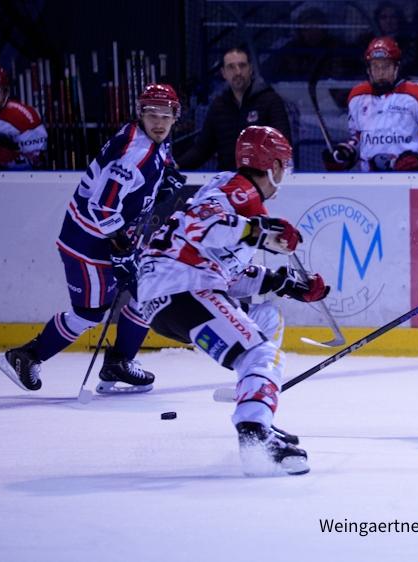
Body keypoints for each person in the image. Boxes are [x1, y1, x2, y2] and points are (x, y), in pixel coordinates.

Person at [139, 125, 328, 476]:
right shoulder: (236, 193)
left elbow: (228, 272)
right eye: (284, 164)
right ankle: (254, 434)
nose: (285, 173)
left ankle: (257, 412)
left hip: (169, 299)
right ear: (273, 165)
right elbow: (202, 226)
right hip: (182, 289)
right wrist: (262, 231)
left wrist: (287, 285)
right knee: (262, 354)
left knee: (267, 319)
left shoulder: (237, 199)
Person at [0, 84, 183, 395]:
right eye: (152, 114)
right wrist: (121, 249)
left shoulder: (147, 138)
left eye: (166, 115)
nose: (159, 122)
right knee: (89, 314)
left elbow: (150, 166)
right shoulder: (136, 154)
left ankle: (119, 362)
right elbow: (102, 206)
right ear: (141, 114)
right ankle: (26, 356)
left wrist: (165, 176)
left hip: (105, 238)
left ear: (176, 116)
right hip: (88, 243)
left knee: (147, 290)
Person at [322, 36, 418, 172]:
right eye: (375, 66)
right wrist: (345, 153)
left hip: (408, 176)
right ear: (368, 69)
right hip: (367, 179)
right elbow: (360, 138)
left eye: (386, 66)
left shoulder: (417, 93)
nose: (381, 72)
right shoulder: (357, 96)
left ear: (396, 67)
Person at [177, 47, 292, 171]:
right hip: (228, 178)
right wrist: (177, 166)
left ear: (250, 69)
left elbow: (282, 143)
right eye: (231, 67)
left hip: (261, 177)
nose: (238, 72)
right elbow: (202, 149)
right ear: (223, 73)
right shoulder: (219, 106)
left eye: (242, 66)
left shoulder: (270, 100)